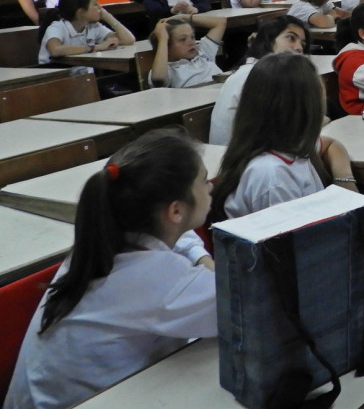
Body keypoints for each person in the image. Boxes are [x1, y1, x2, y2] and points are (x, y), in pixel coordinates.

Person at [4, 130, 216, 409]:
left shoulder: (103, 240)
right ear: (175, 211)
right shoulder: (160, 281)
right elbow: (248, 306)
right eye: (203, 180)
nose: (211, 186)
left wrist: (200, 256)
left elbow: (178, 237)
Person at [209, 54, 356, 222]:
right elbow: (293, 243)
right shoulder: (273, 176)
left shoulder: (287, 143)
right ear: (304, 105)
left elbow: (331, 145)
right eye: (320, 89)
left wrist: (344, 181)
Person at [209, 15, 310, 146]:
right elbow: (286, 128)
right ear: (269, 39)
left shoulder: (263, 70)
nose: (299, 48)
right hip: (240, 158)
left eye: (302, 44)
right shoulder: (256, 75)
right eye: (291, 38)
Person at [38, 0, 136, 65]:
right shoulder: (57, 27)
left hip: (81, 74)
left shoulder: (93, 26)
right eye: (95, 4)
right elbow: (55, 50)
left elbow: (128, 40)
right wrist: (96, 47)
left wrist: (108, 16)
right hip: (54, 74)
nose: (100, 6)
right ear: (81, 12)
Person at [147, 14, 227, 88]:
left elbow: (220, 22)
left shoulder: (202, 50)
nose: (191, 42)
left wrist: (183, 17)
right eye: (182, 39)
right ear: (166, 47)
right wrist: (163, 39)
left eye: (192, 37)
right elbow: (159, 79)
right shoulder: (169, 70)